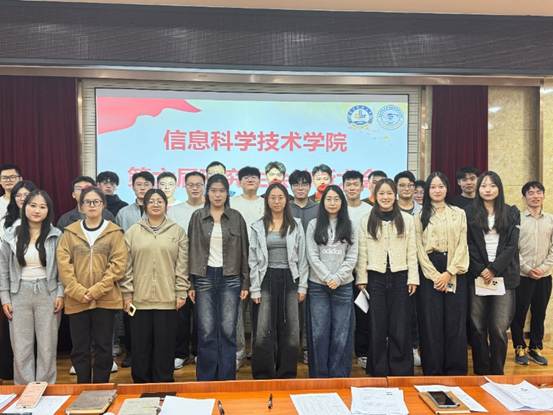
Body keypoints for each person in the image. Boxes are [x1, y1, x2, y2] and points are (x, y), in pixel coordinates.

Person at [57, 187, 128, 383]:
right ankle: (83, 386)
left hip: (105, 298)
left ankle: (101, 387)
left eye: (96, 201)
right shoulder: (70, 233)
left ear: (103, 205)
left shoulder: (114, 232)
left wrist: (96, 290)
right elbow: (64, 265)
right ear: (81, 206)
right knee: (80, 348)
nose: (92, 205)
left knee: (104, 347)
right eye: (87, 202)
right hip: (77, 299)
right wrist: (78, 291)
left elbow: (118, 265)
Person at [121, 189, 189, 383]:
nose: (156, 204)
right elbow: (126, 266)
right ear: (145, 205)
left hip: (167, 299)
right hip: (139, 300)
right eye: (151, 201)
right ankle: (141, 384)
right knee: (140, 346)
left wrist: (181, 292)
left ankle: (164, 383)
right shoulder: (133, 232)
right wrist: (127, 294)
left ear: (166, 205)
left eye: (160, 201)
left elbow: (182, 265)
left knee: (165, 345)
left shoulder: (177, 231)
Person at [188, 174, 249, 381]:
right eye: (213, 190)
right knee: (206, 330)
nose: (217, 195)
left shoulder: (236, 217)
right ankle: (206, 380)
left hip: (230, 278)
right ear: (207, 193)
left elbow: (244, 251)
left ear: (227, 193)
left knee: (227, 330)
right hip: (204, 277)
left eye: (221, 191)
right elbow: (191, 250)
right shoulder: (197, 216)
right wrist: (191, 283)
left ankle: (226, 378)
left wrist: (245, 282)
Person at [356, 179, 418, 376]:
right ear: (375, 196)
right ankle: (378, 368)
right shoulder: (366, 219)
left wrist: (413, 278)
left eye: (389, 193)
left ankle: (400, 368)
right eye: (381, 193)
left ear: (395, 195)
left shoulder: (407, 219)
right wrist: (361, 278)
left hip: (401, 276)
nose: (385, 197)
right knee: (377, 325)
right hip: (375, 277)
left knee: (400, 324)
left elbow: (412, 250)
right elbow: (362, 251)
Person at [0, 190, 62, 384]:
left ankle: (46, 388)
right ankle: (24, 389)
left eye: (42, 207)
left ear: (48, 211)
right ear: (24, 207)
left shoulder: (56, 235)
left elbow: (63, 269)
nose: (37, 210)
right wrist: (5, 297)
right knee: (21, 347)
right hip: (18, 293)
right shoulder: (10, 235)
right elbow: (3, 269)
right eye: (33, 205)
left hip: (48, 293)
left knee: (47, 346)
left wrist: (60, 294)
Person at [249, 182, 307, 379]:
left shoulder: (296, 225)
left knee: (291, 328)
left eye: (280, 197)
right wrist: (255, 288)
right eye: (272, 197)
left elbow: (303, 257)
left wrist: (302, 286)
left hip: (290, 278)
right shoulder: (258, 226)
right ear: (267, 200)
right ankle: (263, 374)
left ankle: (286, 374)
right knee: (263, 327)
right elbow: (253, 259)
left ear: (286, 200)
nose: (276, 201)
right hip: (266, 277)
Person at [465, 171, 520, 375]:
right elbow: (467, 244)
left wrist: (494, 268)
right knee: (477, 326)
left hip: (503, 276)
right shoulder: (468, 212)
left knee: (498, 328)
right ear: (478, 189)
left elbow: (512, 246)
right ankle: (481, 370)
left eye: (492, 185)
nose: (488, 189)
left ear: (499, 188)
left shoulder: (511, 212)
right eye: (484, 186)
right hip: (477, 275)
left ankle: (497, 372)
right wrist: (481, 269)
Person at [415, 172, 469, 375]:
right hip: (429, 270)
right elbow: (418, 249)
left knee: (455, 321)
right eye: (433, 187)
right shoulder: (419, 216)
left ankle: (455, 370)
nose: (437, 190)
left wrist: (449, 272)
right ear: (427, 191)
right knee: (431, 322)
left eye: (441, 186)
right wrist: (435, 276)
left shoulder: (458, 213)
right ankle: (433, 369)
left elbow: (462, 245)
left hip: (453, 268)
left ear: (447, 188)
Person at [306, 185, 357, 377]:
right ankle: (319, 376)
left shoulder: (350, 225)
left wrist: (338, 278)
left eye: (336, 199)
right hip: (318, 286)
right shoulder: (313, 224)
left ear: (342, 202)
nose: (332, 203)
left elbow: (352, 256)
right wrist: (328, 277)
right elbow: (312, 255)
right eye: (329, 199)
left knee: (341, 332)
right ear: (323, 202)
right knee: (319, 332)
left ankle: (338, 376)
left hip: (343, 286)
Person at [511, 181, 553, 366]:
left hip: (544, 276)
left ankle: (535, 347)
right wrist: (527, 268)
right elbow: (513, 248)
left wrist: (543, 268)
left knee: (539, 313)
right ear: (524, 197)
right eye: (531, 193)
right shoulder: (517, 220)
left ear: (543, 195)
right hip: (522, 275)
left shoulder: (550, 219)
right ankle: (519, 347)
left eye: (538, 192)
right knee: (518, 313)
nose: (535, 196)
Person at [115, 170, 154, 368]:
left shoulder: (158, 208)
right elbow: (118, 241)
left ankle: (151, 352)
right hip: (129, 270)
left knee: (151, 316)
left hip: (153, 269)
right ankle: (131, 352)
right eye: (139, 184)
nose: (142, 188)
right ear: (133, 187)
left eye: (146, 184)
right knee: (130, 314)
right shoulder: (123, 213)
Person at [167, 171, 205, 370]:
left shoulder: (210, 209)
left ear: (204, 186)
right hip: (180, 267)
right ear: (185, 186)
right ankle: (180, 352)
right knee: (180, 313)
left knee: (202, 313)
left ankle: (199, 351)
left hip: (205, 268)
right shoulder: (174, 211)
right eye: (191, 185)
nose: (195, 188)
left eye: (199, 184)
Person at [230, 166, 265, 370]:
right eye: (246, 177)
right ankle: (238, 352)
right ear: (239, 182)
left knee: (261, 312)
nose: (250, 180)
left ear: (260, 181)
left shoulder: (266, 203)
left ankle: (260, 351)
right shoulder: (232, 203)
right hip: (238, 262)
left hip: (262, 264)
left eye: (254, 177)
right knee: (237, 312)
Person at [341, 170, 371, 369]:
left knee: (363, 313)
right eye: (348, 184)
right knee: (343, 316)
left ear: (362, 186)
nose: (352, 188)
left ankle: (363, 352)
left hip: (363, 272)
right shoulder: (338, 207)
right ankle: (343, 352)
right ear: (343, 187)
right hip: (341, 273)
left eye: (355, 184)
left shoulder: (369, 210)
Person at [393, 170, 422, 366]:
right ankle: (397, 347)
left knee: (416, 312)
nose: (406, 188)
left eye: (410, 185)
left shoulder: (423, 211)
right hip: (398, 268)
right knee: (400, 311)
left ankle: (414, 347)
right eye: (402, 185)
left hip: (422, 267)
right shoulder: (389, 208)